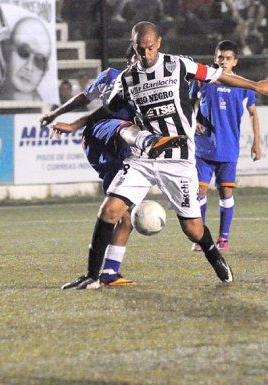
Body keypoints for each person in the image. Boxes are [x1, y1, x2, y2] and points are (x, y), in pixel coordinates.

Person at [53, 21, 268, 289]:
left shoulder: (179, 65)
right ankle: (92, 276)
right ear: (133, 46)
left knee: (193, 230)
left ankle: (212, 251)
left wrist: (254, 86)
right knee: (109, 211)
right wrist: (75, 124)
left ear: (157, 43)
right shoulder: (126, 79)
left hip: (178, 159)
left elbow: (217, 75)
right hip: (143, 157)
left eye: (149, 47)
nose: (145, 54)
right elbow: (106, 110)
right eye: (139, 48)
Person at [41, 50, 188, 288]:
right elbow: (84, 98)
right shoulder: (112, 76)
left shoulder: (149, 85)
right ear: (129, 60)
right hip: (103, 133)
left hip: (120, 150)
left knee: (123, 215)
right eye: (135, 59)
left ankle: (108, 272)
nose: (139, 63)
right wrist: (56, 114)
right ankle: (147, 142)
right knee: (123, 127)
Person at [190, 40, 263, 253]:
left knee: (226, 192)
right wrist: (193, 122)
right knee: (200, 190)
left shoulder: (242, 85)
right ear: (215, 59)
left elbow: (253, 113)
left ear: (235, 62)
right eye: (220, 57)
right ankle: (201, 239)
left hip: (228, 147)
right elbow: (187, 104)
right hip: (203, 147)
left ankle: (223, 238)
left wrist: (256, 143)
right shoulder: (203, 81)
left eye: (228, 58)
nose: (223, 61)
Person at [0, 16, 51, 101]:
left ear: (45, 71)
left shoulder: (47, 108)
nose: (29, 67)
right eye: (23, 52)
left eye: (39, 61)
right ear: (7, 52)